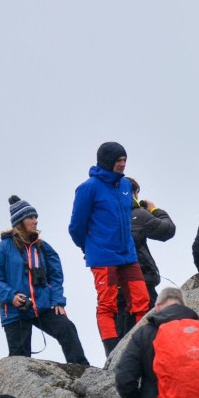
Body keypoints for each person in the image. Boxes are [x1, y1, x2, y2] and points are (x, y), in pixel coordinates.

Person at [68, 142, 151, 356]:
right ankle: (112, 353)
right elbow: (76, 226)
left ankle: (143, 345)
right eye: (118, 161)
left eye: (124, 160)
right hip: (103, 256)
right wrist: (89, 248)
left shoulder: (124, 186)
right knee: (108, 305)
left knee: (142, 299)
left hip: (128, 254)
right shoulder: (88, 188)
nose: (122, 164)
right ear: (107, 161)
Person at [0, 195, 88, 364]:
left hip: (43, 306)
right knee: (20, 361)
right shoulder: (1, 250)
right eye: (31, 217)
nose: (36, 221)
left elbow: (56, 275)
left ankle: (83, 371)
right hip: (14, 311)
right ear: (19, 222)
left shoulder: (43, 247)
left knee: (67, 328)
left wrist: (57, 300)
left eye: (36, 217)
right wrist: (12, 296)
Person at [126, 177, 176, 306]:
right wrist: (154, 210)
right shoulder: (138, 214)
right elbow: (168, 230)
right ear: (135, 192)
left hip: (114, 286)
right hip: (141, 281)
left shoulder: (105, 217)